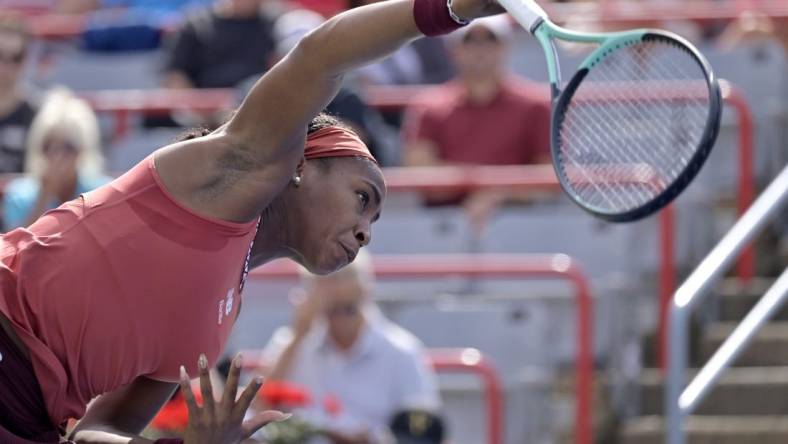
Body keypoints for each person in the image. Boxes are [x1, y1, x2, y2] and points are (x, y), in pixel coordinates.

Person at [0, 1, 502, 443]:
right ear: (299, 166)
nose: (366, 230)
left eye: (374, 218)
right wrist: (447, 7)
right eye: (362, 197)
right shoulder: (223, 174)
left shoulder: (216, 324)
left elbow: (97, 431)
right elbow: (321, 54)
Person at [262, 250, 441, 443]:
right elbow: (257, 408)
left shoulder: (403, 351)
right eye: (333, 309)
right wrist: (297, 337)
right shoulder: (291, 344)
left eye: (348, 308)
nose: (341, 319)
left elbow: (421, 434)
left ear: (366, 291)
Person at [401, 16, 551, 230]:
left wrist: (496, 194)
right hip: (442, 228)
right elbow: (420, 175)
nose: (480, 48)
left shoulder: (536, 105)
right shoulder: (428, 106)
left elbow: (547, 176)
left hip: (522, 225)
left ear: (505, 47)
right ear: (454, 50)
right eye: (470, 40)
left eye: (490, 39)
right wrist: (492, 189)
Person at [3, 89, 111, 231]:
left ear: (82, 150)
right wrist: (45, 195)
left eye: (68, 148)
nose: (57, 157)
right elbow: (18, 249)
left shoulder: (103, 193)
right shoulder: (18, 195)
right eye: (49, 146)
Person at [0, 14, 37, 175]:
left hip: (21, 200)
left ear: (25, 61)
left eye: (15, 58)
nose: (5, 66)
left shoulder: (39, 112)